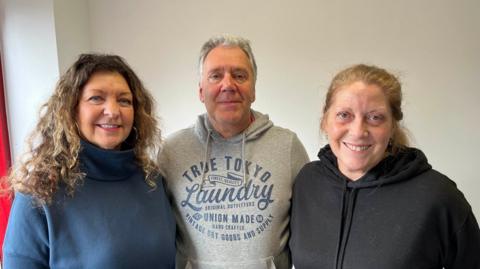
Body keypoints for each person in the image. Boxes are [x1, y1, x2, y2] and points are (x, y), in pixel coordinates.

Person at [289, 64, 480, 269]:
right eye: (344, 115)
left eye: (375, 117)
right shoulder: (307, 182)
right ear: (325, 120)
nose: (358, 131)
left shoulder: (437, 196)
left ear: (392, 126)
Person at [2, 54, 176, 268]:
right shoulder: (40, 193)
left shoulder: (152, 180)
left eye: (124, 100)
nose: (113, 111)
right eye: (96, 98)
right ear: (71, 109)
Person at [158, 34, 309, 269]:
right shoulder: (172, 151)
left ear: (253, 90)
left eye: (239, 75)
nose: (228, 85)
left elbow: (308, 231)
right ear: (200, 91)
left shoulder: (288, 147)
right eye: (215, 76)